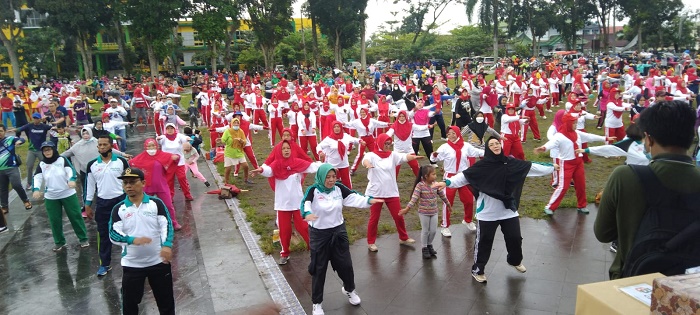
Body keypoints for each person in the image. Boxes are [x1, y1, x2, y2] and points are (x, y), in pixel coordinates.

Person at [595, 100, 700, 279]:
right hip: (688, 286)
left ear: (649, 139)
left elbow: (603, 233)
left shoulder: (625, 176)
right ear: (691, 138)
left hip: (632, 280)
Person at [440, 137, 555, 283]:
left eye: (497, 143)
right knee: (484, 242)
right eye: (491, 144)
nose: (495, 146)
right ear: (488, 149)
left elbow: (530, 166)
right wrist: (446, 182)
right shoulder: (482, 166)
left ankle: (514, 261)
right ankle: (478, 270)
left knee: (515, 238)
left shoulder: (509, 163)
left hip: (507, 209)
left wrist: (552, 168)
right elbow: (464, 177)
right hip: (487, 213)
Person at [300, 163, 384, 315]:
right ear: (321, 177)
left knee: (345, 265)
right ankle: (317, 303)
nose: (331, 180)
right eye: (328, 177)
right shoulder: (313, 190)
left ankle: (349, 289)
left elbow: (353, 197)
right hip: (319, 235)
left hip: (338, 232)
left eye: (333, 177)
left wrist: (369, 200)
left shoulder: (338, 188)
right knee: (319, 269)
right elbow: (305, 204)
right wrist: (307, 214)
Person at [108, 167, 175, 315]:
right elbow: (113, 233)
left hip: (158, 262)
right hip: (132, 265)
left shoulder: (156, 203)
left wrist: (167, 246)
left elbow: (167, 225)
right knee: (130, 306)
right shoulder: (118, 209)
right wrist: (132, 240)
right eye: (125, 183)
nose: (128, 186)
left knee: (166, 304)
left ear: (143, 183)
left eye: (132, 182)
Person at [250, 141, 322, 265]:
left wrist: (325, 165)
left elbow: (312, 167)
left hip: (298, 203)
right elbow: (268, 170)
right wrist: (261, 170)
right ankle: (285, 253)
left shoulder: (297, 163)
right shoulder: (276, 165)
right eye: (283, 148)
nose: (286, 150)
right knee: (284, 230)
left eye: (288, 148)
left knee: (304, 227)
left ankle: (314, 250)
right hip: (282, 205)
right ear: (280, 151)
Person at [534, 113, 612, 215]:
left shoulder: (577, 133)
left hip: (578, 163)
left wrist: (604, 138)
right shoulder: (559, 135)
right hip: (566, 164)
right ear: (567, 124)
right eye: (574, 123)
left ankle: (582, 205)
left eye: (576, 122)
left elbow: (589, 136)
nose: (576, 125)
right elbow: (552, 143)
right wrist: (544, 148)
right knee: (563, 186)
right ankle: (550, 207)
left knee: (581, 185)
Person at [364, 133, 423, 252]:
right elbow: (365, 160)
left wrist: (413, 157)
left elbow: (405, 157)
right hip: (376, 193)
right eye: (385, 144)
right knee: (374, 218)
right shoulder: (371, 155)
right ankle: (371, 242)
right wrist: (368, 165)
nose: (387, 146)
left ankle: (403, 237)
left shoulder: (393, 155)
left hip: (391, 192)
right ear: (380, 143)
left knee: (398, 216)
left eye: (389, 144)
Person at [85, 135, 130, 276]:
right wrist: (87, 204)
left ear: (111, 146)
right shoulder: (92, 165)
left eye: (105, 144)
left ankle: (129, 260)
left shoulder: (121, 162)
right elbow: (90, 186)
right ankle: (104, 264)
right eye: (100, 145)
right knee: (104, 234)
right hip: (103, 203)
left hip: (121, 201)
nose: (102, 147)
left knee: (127, 230)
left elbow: (130, 181)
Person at [32, 141, 89, 252]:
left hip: (68, 194)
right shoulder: (42, 164)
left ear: (53, 149)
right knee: (54, 220)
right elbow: (37, 177)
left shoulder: (62, 160)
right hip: (51, 197)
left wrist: (71, 180)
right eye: (45, 150)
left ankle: (83, 239)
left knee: (75, 217)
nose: (47, 152)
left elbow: (70, 171)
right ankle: (59, 242)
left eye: (49, 149)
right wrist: (36, 189)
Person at [61, 127, 127, 218]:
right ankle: (85, 207)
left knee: (103, 186)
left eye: (87, 133)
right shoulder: (77, 146)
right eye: (83, 134)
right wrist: (54, 158)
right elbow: (66, 154)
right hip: (86, 170)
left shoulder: (97, 141)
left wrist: (123, 154)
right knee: (87, 189)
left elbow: (111, 150)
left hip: (106, 176)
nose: (85, 135)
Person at [430, 126, 484, 236]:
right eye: (448, 134)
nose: (451, 135)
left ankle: (468, 220)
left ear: (458, 133)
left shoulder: (466, 146)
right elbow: (434, 159)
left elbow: (477, 152)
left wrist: (490, 150)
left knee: (469, 200)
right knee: (448, 201)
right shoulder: (444, 147)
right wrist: (434, 155)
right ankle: (445, 226)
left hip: (463, 176)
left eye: (453, 133)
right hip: (450, 176)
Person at [128, 138, 182, 230]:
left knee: (168, 205)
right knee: (144, 207)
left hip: (161, 185)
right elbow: (132, 163)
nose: (151, 147)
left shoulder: (162, 155)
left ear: (157, 146)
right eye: (149, 146)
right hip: (147, 186)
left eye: (153, 145)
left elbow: (175, 157)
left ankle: (173, 222)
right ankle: (146, 225)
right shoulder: (141, 157)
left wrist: (176, 157)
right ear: (145, 147)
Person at [400, 165, 450, 259]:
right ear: (426, 176)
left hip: (434, 211)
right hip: (424, 213)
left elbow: (442, 195)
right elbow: (414, 198)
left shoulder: (436, 185)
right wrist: (407, 208)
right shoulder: (420, 186)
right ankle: (424, 248)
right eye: (433, 174)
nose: (435, 176)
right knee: (425, 230)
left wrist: (448, 204)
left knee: (433, 231)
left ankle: (429, 244)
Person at [0, 124, 32, 229]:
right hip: (0, 170)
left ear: (4, 131)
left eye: (1, 131)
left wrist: (19, 142)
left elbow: (22, 139)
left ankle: (25, 200)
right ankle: (5, 206)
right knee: (3, 189)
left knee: (16, 185)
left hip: (11, 167)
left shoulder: (10, 139)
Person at [317, 121, 360, 189]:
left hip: (344, 164)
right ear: (332, 128)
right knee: (331, 183)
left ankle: (349, 196)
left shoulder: (345, 136)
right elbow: (319, 146)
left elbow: (354, 139)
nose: (336, 128)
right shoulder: (329, 139)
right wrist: (320, 152)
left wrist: (360, 141)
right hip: (332, 165)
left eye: (338, 127)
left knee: (347, 184)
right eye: (335, 127)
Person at [15, 113, 53, 190]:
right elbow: (19, 129)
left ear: (40, 119)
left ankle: (49, 182)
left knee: (46, 166)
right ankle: (29, 183)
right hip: (31, 150)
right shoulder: (30, 125)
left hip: (41, 150)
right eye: (34, 118)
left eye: (37, 118)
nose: (35, 120)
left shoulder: (44, 126)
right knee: (29, 166)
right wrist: (14, 130)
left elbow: (53, 128)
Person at [157, 123, 194, 201]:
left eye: (171, 128)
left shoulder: (179, 136)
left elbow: (184, 138)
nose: (170, 130)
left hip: (179, 162)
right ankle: (170, 196)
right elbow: (159, 140)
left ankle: (187, 195)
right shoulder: (164, 137)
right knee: (169, 180)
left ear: (174, 129)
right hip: (168, 163)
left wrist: (187, 138)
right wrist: (158, 138)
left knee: (182, 178)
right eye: (168, 129)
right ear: (166, 130)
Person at [386, 110, 422, 177]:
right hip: (398, 151)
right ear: (398, 117)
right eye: (400, 116)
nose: (401, 118)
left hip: (409, 150)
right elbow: (389, 133)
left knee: (415, 166)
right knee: (395, 169)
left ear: (406, 117)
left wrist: (428, 126)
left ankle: (421, 182)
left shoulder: (410, 125)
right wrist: (384, 137)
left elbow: (419, 128)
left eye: (403, 116)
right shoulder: (394, 126)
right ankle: (392, 184)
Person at [221, 118, 251, 185]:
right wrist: (221, 141)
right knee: (228, 169)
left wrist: (241, 141)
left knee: (246, 166)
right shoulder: (227, 131)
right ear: (232, 124)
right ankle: (226, 182)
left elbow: (245, 141)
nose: (236, 124)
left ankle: (246, 179)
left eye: (237, 123)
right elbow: (223, 140)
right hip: (229, 153)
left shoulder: (241, 131)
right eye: (235, 123)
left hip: (239, 152)